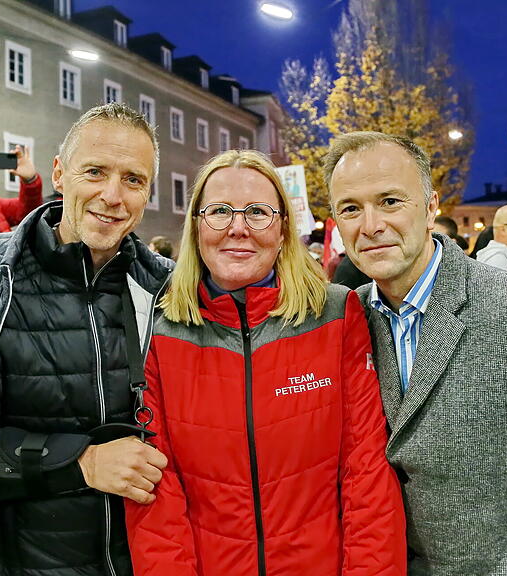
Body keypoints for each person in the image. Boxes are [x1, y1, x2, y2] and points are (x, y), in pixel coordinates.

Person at [325, 131, 507, 575]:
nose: (370, 225)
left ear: (430, 208)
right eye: (351, 208)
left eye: (390, 201)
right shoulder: (345, 319)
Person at [0, 103, 173, 576]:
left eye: (133, 180)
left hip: (144, 559)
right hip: (16, 561)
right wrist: (79, 462)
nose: (113, 195)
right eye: (95, 172)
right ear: (59, 173)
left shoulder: (171, 291)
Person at [124, 150, 405, 576]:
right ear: (197, 225)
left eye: (258, 212)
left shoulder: (335, 314)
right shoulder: (159, 329)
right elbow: (156, 500)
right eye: (219, 211)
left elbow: (366, 474)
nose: (238, 228)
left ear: (283, 228)